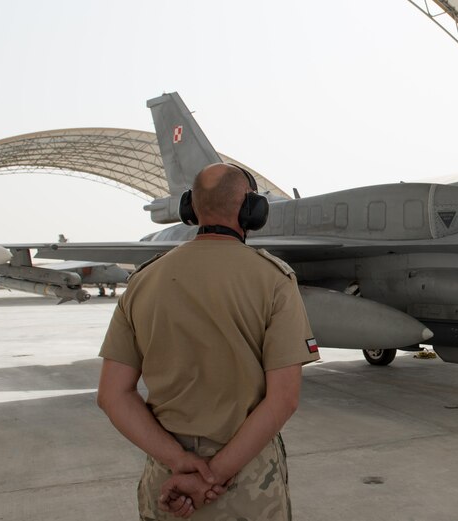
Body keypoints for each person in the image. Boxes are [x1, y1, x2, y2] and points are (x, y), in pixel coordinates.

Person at [97, 163, 320, 520]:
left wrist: (180, 464)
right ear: (252, 210)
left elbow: (112, 395)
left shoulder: (143, 281)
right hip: (248, 487)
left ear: (190, 208)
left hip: (169, 487)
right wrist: (212, 475)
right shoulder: (274, 280)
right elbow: (284, 398)